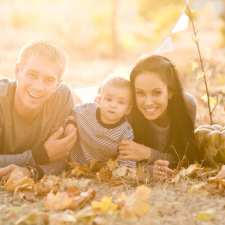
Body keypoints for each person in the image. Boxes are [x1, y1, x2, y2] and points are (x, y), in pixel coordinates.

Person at [0, 41, 78, 178]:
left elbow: (61, 157)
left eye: (49, 80)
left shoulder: (62, 97)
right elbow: (48, 155)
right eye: (32, 75)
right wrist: (39, 156)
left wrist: (32, 172)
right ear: (18, 71)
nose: (38, 87)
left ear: (58, 84)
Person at [118, 55, 201, 180]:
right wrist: (148, 171)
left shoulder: (186, 105)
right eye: (140, 93)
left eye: (156, 92)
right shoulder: (128, 112)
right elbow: (119, 162)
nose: (148, 102)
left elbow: (187, 157)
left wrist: (148, 153)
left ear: (170, 92)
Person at [70, 76, 135, 167]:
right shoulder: (86, 111)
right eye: (108, 99)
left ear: (128, 109)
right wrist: (70, 123)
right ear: (99, 100)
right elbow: (69, 113)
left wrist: (125, 172)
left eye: (120, 102)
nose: (113, 105)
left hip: (100, 170)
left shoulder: (125, 132)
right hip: (74, 163)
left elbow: (127, 157)